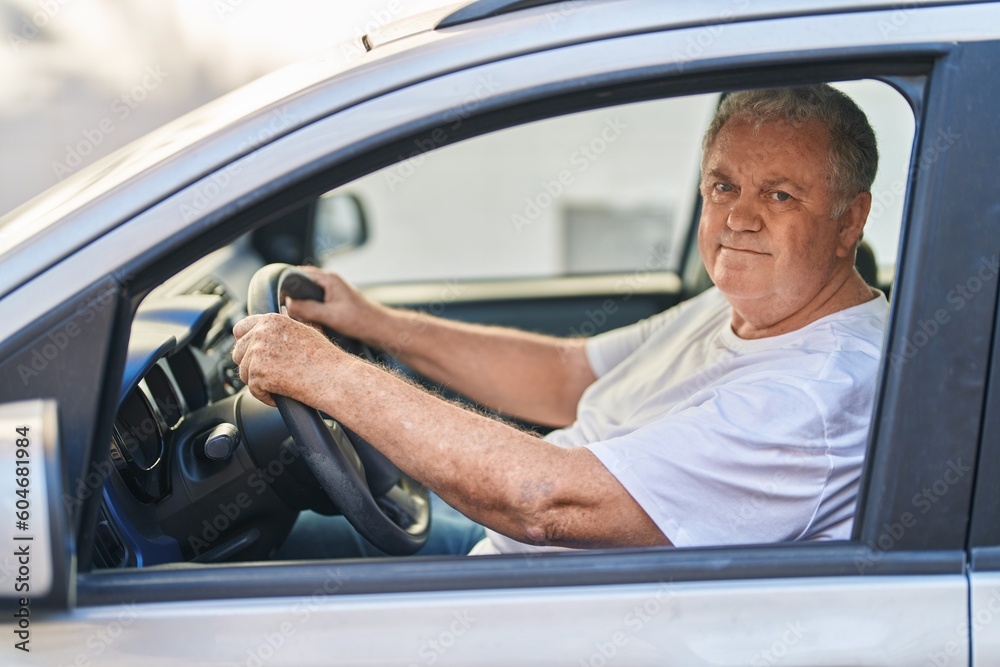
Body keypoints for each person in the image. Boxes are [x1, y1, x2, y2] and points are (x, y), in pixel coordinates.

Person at [232, 84, 887, 557]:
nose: (740, 218)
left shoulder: (815, 396)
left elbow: (545, 500)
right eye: (723, 186)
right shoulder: (742, 303)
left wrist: (324, 372)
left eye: (779, 193)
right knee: (282, 544)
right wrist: (373, 323)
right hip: (517, 561)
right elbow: (567, 374)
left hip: (560, 617)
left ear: (849, 219)